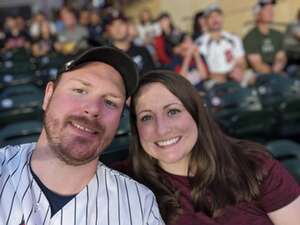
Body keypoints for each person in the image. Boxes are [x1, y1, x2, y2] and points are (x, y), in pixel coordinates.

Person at [0, 47, 164, 225]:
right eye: (79, 90)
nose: (93, 108)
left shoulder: (140, 206)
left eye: (110, 102)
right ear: (48, 95)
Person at [123, 70, 300, 225]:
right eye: (146, 117)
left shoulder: (254, 165)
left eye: (173, 111)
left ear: (196, 113)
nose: (161, 129)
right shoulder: (125, 186)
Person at [196, 4, 247, 85]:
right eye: (211, 17)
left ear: (222, 18)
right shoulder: (200, 43)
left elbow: (241, 61)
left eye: (217, 16)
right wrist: (225, 76)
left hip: (236, 80)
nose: (215, 19)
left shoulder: (233, 38)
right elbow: (203, 72)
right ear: (206, 21)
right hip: (214, 84)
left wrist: (239, 69)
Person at [243, 0, 287, 75]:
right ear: (258, 15)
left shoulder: (277, 34)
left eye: (271, 9)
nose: (271, 12)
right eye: (267, 10)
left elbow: (281, 57)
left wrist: (279, 65)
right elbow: (258, 66)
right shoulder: (250, 37)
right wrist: (274, 72)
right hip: (260, 75)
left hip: (278, 71)